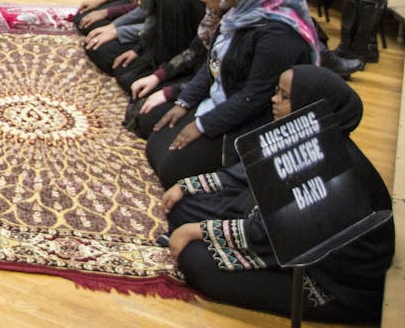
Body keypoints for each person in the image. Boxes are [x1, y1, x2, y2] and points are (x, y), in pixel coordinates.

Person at [163, 65, 393, 322]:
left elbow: (277, 234)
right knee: (183, 208)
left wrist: (198, 231)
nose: (274, 100)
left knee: (195, 258)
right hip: (280, 235)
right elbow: (251, 176)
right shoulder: (309, 137)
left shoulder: (332, 165)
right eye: (277, 92)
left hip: (330, 278)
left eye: (284, 97)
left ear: (310, 105)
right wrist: (187, 189)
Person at [146, 0, 318, 188]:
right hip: (222, 101)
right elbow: (214, 64)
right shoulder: (242, 12)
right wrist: (184, 103)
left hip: (249, 120)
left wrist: (203, 125)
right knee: (154, 132)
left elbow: (254, 97)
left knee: (171, 167)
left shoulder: (279, 37)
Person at [126, 0, 228, 137]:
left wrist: (174, 94)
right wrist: (158, 77)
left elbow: (219, 77)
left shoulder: (241, 26)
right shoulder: (215, 16)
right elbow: (194, 52)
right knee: (139, 94)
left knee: (148, 117)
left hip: (218, 100)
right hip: (197, 80)